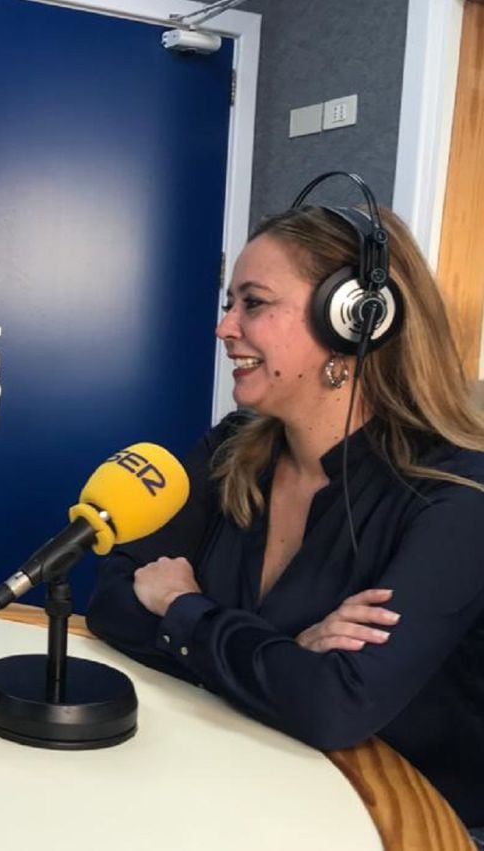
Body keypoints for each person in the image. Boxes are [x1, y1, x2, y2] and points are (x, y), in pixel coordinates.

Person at [86, 202, 484, 838]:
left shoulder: (456, 498)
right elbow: (111, 601)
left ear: (356, 321)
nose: (224, 327)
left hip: (403, 822)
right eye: (230, 302)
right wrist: (282, 653)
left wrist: (186, 611)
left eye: (254, 303)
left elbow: (333, 707)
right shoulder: (234, 448)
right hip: (250, 778)